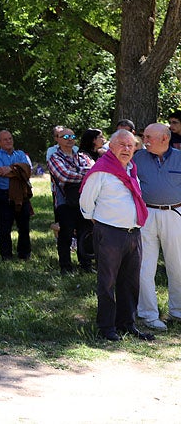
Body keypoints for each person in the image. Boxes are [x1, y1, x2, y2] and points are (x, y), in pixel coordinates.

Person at [80, 129, 154, 342]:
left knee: (130, 282)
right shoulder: (101, 170)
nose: (126, 149)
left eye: (131, 145)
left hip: (133, 233)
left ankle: (127, 324)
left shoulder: (131, 168)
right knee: (107, 282)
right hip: (110, 233)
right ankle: (106, 327)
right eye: (122, 144)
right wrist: (98, 221)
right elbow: (86, 201)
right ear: (111, 147)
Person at [134, 123, 181, 331]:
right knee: (145, 266)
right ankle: (148, 315)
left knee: (178, 265)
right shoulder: (137, 159)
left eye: (149, 137)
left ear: (165, 138)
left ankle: (178, 312)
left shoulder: (180, 158)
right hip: (146, 214)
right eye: (144, 137)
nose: (145, 141)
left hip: (175, 213)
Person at [47, 127, 94, 274]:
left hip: (84, 201)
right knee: (66, 234)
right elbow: (65, 176)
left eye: (72, 136)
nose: (69, 139)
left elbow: (96, 171)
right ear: (57, 139)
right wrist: (85, 173)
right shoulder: (54, 158)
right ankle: (66, 267)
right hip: (65, 203)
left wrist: (79, 172)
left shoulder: (83, 156)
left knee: (85, 232)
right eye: (65, 136)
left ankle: (86, 264)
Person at [0, 130, 33, 260]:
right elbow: (0, 172)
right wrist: (17, 169)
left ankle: (24, 254)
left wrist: (10, 169)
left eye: (10, 138)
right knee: (4, 227)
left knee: (24, 226)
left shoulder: (20, 154)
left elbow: (26, 171)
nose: (8, 141)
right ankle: (6, 255)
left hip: (22, 194)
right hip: (4, 194)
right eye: (5, 139)